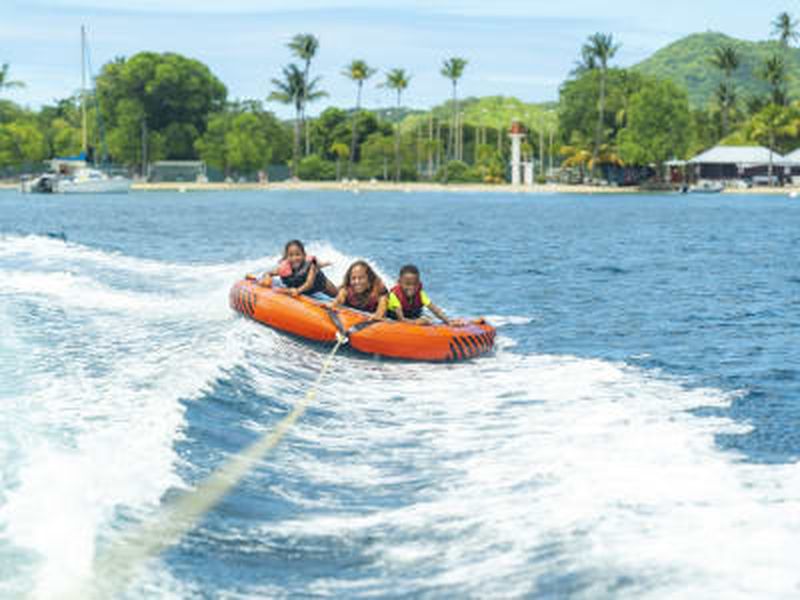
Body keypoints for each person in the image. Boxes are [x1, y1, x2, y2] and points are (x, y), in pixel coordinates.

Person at [260, 240, 337, 297]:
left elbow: (309, 284)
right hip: (303, 290)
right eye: (291, 255)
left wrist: (297, 291)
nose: (294, 258)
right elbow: (269, 273)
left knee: (338, 296)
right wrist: (267, 277)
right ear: (286, 257)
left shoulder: (310, 266)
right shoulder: (284, 268)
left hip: (322, 286)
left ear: (303, 255)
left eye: (297, 254)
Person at [386, 264, 458, 324]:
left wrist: (448, 321)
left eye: (415, 284)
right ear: (399, 282)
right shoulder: (394, 296)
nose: (412, 287)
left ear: (419, 283)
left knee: (428, 319)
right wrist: (417, 322)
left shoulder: (420, 294)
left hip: (412, 317)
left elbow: (435, 309)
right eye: (407, 284)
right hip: (394, 318)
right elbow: (401, 319)